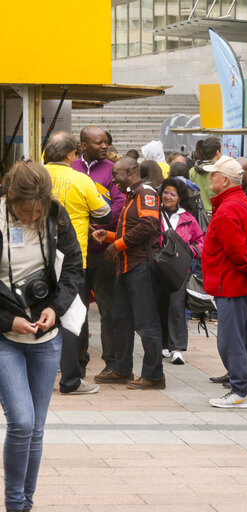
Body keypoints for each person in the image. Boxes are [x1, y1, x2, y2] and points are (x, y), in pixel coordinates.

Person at [0, 161, 83, 512]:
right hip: (5, 336)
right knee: (21, 421)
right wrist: (8, 320)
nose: (32, 216)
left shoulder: (56, 216)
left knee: (36, 427)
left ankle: (25, 504)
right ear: (11, 197)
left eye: (38, 209)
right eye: (24, 210)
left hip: (46, 338)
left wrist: (56, 309)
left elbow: (75, 271)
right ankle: (15, 503)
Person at [44, 131, 113, 395]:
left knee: (37, 312)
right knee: (73, 318)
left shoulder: (36, 176)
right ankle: (71, 379)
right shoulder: (82, 180)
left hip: (39, 258)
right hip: (74, 259)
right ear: (71, 154)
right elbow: (105, 215)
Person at [92, 157, 165, 390]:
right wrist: (109, 237)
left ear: (131, 171)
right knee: (120, 319)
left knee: (146, 323)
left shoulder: (146, 194)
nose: (113, 179)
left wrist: (117, 245)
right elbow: (131, 230)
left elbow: (148, 227)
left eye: (117, 174)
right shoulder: (131, 195)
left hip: (140, 265)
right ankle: (122, 369)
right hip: (126, 267)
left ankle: (154, 375)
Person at [203, 156, 247, 408]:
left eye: (214, 175)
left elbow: (238, 252)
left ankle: (240, 390)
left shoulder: (228, 208)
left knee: (231, 339)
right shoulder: (243, 201)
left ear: (226, 180)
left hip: (232, 284)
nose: (211, 178)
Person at [72, 126, 126, 379]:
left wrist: (101, 225)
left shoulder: (111, 169)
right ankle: (77, 362)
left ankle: (112, 363)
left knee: (109, 310)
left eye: (106, 142)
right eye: (98, 143)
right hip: (76, 253)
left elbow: (119, 203)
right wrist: (85, 223)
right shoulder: (71, 168)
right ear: (84, 145)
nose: (104, 146)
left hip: (105, 253)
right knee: (76, 311)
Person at [157, 178, 204, 365]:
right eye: (165, 192)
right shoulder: (154, 214)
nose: (167, 196)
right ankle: (163, 345)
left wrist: (190, 252)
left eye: (172, 194)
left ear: (179, 198)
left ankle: (177, 348)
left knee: (177, 307)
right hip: (159, 267)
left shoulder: (188, 218)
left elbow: (201, 241)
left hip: (179, 269)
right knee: (159, 305)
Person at [189, 137, 222, 214]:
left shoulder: (192, 171)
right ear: (218, 152)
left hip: (199, 215)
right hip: (216, 214)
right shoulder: (220, 172)